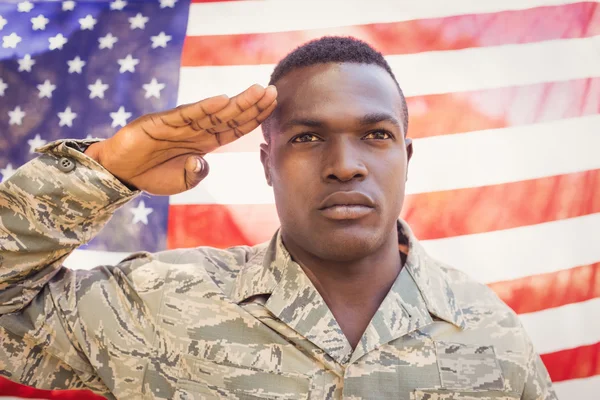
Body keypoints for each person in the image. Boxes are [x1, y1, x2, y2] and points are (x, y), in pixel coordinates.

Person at [0, 37, 556, 400]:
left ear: (406, 158)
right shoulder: (156, 306)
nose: (345, 166)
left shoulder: (491, 334)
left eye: (376, 135)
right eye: (308, 137)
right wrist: (103, 171)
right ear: (268, 163)